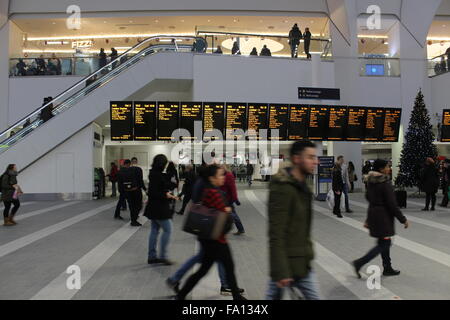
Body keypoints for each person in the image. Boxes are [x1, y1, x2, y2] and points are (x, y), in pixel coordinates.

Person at [176, 164, 246, 300]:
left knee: (203, 270)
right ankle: (237, 297)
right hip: (217, 240)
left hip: (209, 238)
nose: (223, 178)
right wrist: (228, 211)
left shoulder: (209, 189)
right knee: (228, 267)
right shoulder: (214, 192)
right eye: (220, 175)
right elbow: (224, 217)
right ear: (212, 178)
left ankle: (181, 294)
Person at [266, 140, 321, 300]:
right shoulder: (283, 189)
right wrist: (282, 271)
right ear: (297, 159)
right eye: (311, 157)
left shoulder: (302, 187)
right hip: (287, 266)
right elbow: (276, 233)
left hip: (302, 263)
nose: (316, 161)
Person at [352, 159, 409, 278]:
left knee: (384, 242)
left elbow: (369, 198)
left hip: (374, 214)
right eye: (387, 166)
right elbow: (392, 204)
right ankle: (359, 263)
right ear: (381, 169)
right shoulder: (384, 183)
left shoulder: (371, 182)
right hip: (383, 217)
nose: (389, 168)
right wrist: (403, 219)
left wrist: (369, 219)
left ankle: (387, 267)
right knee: (384, 243)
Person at [145, 154, 178, 265]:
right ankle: (163, 256)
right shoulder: (157, 175)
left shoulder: (153, 173)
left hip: (153, 207)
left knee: (154, 230)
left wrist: (165, 192)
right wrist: (167, 195)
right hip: (159, 207)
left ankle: (152, 256)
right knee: (168, 230)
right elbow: (154, 192)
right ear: (162, 164)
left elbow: (153, 190)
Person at [221, 165, 245, 235]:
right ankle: (240, 229)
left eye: (222, 167)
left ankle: (240, 229)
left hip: (228, 199)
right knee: (228, 214)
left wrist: (235, 199)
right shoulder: (223, 175)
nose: (221, 169)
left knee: (232, 215)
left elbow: (233, 188)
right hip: (223, 198)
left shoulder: (229, 175)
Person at [117, 159, 142, 226]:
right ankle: (133, 218)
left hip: (125, 190)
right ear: (128, 163)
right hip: (130, 190)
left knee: (127, 203)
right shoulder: (132, 170)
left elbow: (119, 182)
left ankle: (118, 214)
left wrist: (120, 190)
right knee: (133, 204)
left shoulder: (121, 171)